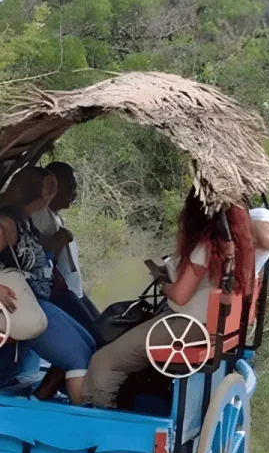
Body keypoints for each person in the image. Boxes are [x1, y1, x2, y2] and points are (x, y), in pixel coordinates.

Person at [82, 190, 255, 407]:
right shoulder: (239, 247)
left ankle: (100, 418)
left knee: (104, 361)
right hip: (214, 327)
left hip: (188, 326)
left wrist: (163, 284)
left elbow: (180, 296)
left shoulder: (205, 248)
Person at [0, 168, 95, 403]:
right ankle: (82, 427)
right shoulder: (5, 224)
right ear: (42, 197)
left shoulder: (23, 220)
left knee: (89, 344)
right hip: (21, 306)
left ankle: (39, 399)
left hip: (38, 300)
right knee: (77, 358)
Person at [31, 162, 100, 323]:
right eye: (68, 187)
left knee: (100, 326)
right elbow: (36, 255)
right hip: (59, 291)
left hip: (73, 289)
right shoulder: (39, 216)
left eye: (74, 187)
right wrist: (57, 242)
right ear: (50, 187)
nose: (73, 193)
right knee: (95, 334)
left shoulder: (54, 216)